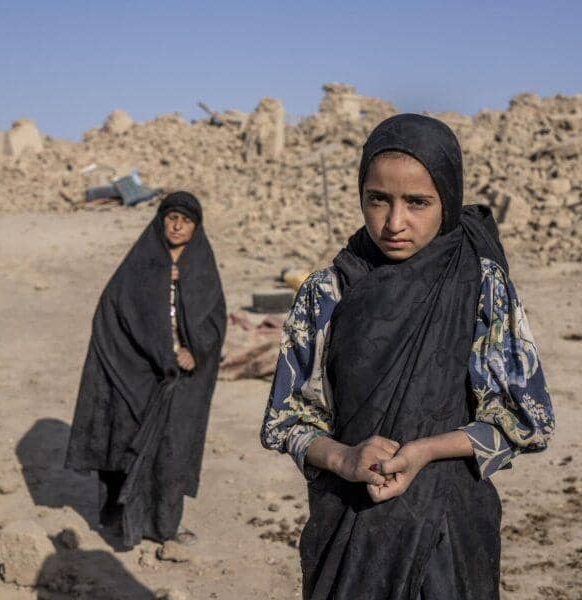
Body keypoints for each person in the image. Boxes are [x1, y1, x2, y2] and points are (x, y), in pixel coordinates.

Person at [260, 114, 554, 600]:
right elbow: (285, 420)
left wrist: (425, 451)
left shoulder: (480, 286)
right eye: (378, 199)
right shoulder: (326, 291)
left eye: (418, 202)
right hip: (349, 524)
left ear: (448, 200)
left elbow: (526, 417)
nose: (395, 223)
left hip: (449, 528)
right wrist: (345, 458)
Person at [66, 191, 226, 549]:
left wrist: (195, 352)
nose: (177, 224)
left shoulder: (201, 265)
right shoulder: (141, 261)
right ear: (160, 220)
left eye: (186, 219)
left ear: (196, 227)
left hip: (182, 380)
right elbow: (112, 312)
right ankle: (126, 525)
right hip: (141, 374)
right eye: (171, 217)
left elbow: (215, 321)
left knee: (173, 452)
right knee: (128, 446)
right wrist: (147, 354)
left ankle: (166, 529)